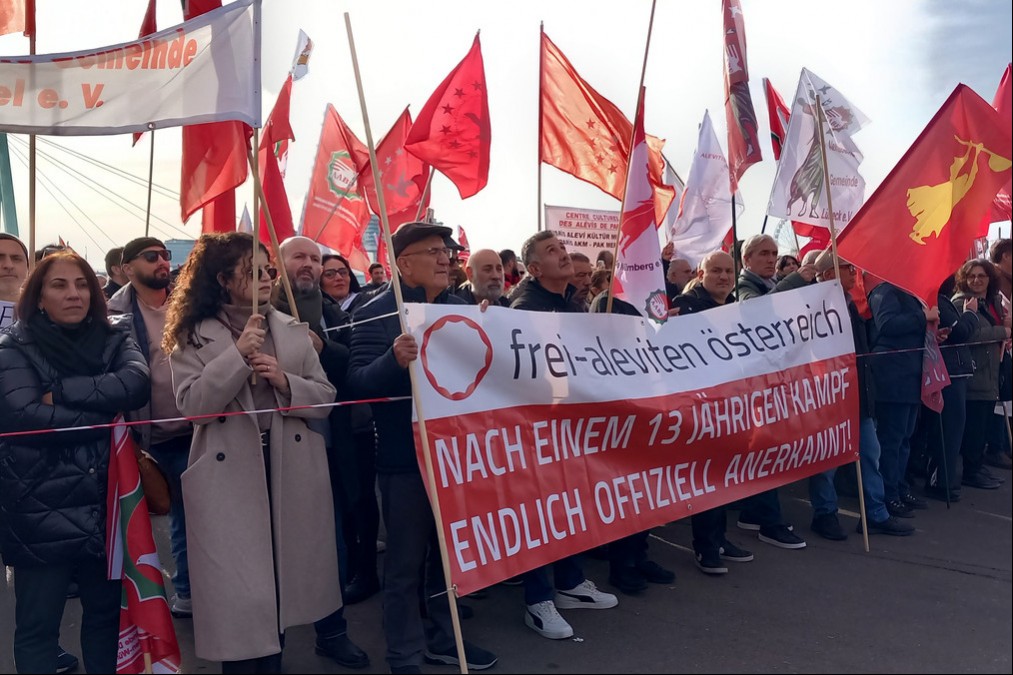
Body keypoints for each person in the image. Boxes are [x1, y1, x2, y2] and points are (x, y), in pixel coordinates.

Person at [163, 232, 341, 673]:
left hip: (289, 470)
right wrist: (237, 357)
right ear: (223, 279)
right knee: (240, 595)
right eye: (252, 270)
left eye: (267, 268)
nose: (266, 277)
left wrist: (285, 381)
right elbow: (194, 407)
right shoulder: (192, 335)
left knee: (279, 589)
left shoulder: (289, 328)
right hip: (228, 478)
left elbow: (325, 398)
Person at [348, 222, 497, 673]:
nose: (444, 259)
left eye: (447, 251)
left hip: (457, 457)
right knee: (405, 564)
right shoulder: (376, 311)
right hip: (405, 460)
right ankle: (404, 654)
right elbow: (356, 385)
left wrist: (494, 327)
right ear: (403, 262)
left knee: (448, 563)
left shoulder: (462, 306)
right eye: (432, 251)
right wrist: (392, 360)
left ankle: (442, 638)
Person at [0, 251, 149, 674]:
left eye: (82, 284)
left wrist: (60, 392)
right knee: (37, 627)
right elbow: (25, 416)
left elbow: (135, 384)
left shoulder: (117, 335)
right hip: (38, 510)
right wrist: (105, 413)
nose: (74, 294)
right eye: (59, 285)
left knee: (105, 620)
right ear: (39, 296)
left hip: (106, 504)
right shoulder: (14, 345)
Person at [510, 230, 617, 638]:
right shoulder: (526, 308)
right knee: (541, 512)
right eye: (552, 251)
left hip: (571, 428)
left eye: (563, 248)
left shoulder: (569, 303)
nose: (564, 254)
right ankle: (539, 600)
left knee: (571, 506)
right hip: (539, 431)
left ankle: (570, 583)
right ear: (535, 269)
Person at [273, 236, 371, 669]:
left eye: (315, 258)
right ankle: (267, 637)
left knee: (327, 540)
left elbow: (354, 365)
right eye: (300, 257)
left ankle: (331, 632)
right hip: (274, 447)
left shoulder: (334, 312)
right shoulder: (261, 316)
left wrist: (322, 348)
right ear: (278, 265)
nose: (309, 265)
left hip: (333, 442)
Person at [107, 237, 195, 618]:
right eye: (151, 256)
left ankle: (193, 589)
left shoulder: (191, 304)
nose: (162, 262)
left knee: (193, 516)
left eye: (165, 255)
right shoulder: (111, 314)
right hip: (142, 436)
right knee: (147, 517)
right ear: (126, 268)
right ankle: (150, 605)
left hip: (196, 428)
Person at [811, 254, 914, 538]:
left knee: (870, 453)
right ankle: (825, 513)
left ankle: (875, 513)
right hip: (829, 394)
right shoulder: (810, 305)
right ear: (827, 273)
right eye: (847, 268)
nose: (853, 273)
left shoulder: (851, 305)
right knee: (828, 458)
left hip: (858, 392)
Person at [670, 251, 758, 571]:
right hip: (699, 408)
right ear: (701, 272)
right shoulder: (687, 306)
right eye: (716, 271)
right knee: (706, 478)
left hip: (730, 406)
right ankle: (705, 546)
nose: (723, 277)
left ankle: (719, 538)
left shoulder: (735, 307)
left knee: (723, 477)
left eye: (728, 272)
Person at [733, 234, 811, 549]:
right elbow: (757, 313)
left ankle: (754, 512)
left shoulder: (768, 284)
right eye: (763, 253)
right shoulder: (744, 288)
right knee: (766, 450)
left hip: (772, 380)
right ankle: (769, 522)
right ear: (746, 259)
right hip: (754, 384)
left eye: (774, 253)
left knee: (769, 449)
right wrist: (795, 280)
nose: (770, 258)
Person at [866, 277, 935, 518]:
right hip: (892, 375)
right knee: (891, 439)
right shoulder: (885, 291)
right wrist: (922, 318)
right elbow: (886, 324)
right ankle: (888, 494)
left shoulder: (908, 291)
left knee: (905, 437)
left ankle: (899, 486)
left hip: (909, 374)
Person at [952, 259, 1011, 490]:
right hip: (975, 372)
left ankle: (977, 467)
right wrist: (1002, 330)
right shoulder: (961, 302)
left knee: (983, 424)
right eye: (971, 276)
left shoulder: (992, 301)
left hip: (991, 372)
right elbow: (970, 334)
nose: (976, 280)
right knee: (975, 426)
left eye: (981, 276)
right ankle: (971, 471)